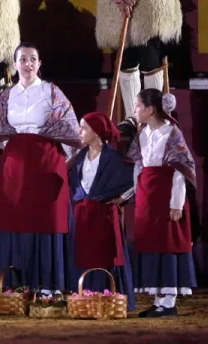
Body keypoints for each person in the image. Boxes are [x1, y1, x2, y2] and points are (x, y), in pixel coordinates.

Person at [0, 43, 81, 291]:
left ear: (39, 64)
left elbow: (70, 129)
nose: (28, 64)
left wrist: (66, 163)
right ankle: (13, 282)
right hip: (15, 166)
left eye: (33, 59)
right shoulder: (7, 95)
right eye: (23, 59)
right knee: (15, 218)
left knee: (46, 219)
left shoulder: (52, 92)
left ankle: (49, 283)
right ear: (14, 64)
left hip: (46, 162)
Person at [124, 89, 197, 318]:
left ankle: (169, 300)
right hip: (148, 197)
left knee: (168, 244)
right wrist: (131, 195)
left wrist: (176, 203)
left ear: (149, 109)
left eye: (137, 106)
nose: (134, 110)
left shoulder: (172, 132)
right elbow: (138, 166)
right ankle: (158, 300)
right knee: (152, 243)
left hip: (166, 196)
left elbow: (179, 170)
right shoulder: (143, 133)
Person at [68, 112, 135, 310]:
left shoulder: (112, 158)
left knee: (104, 255)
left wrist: (122, 198)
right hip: (83, 214)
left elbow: (132, 178)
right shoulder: (79, 157)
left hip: (103, 214)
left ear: (96, 132)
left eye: (84, 128)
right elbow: (75, 183)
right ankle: (83, 296)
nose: (80, 132)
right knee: (82, 255)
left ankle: (107, 296)